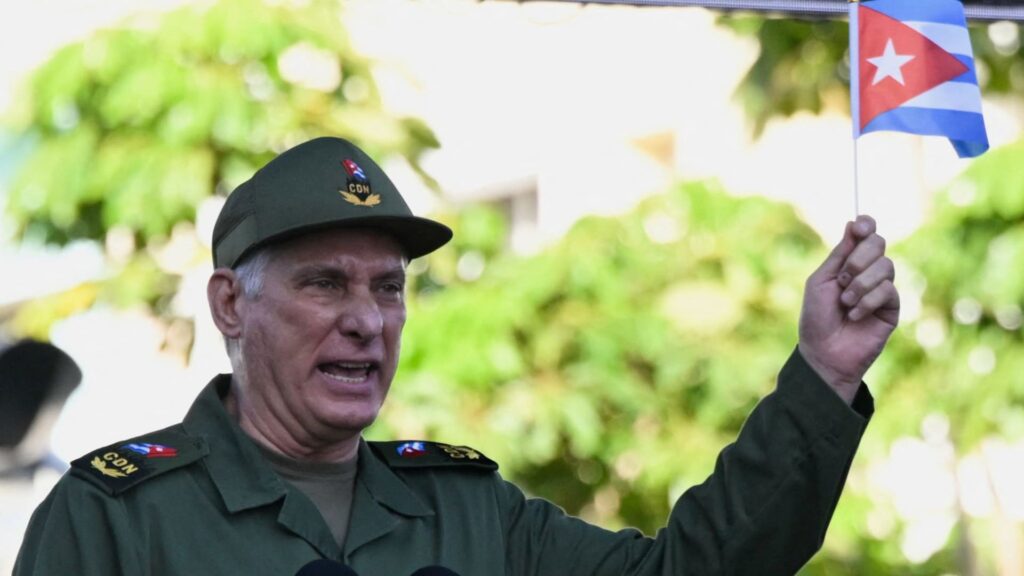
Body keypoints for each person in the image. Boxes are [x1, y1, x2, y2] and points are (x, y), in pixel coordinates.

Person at [14, 137, 899, 576]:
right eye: (325, 284)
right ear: (230, 305)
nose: (368, 320)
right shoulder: (114, 518)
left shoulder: (471, 511)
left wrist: (825, 374)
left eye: (389, 287)